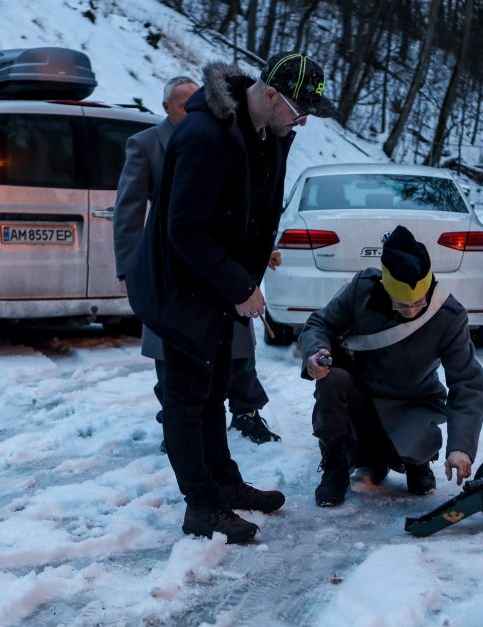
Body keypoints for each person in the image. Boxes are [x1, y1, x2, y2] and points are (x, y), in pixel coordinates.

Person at [127, 53, 336, 543]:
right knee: (184, 400)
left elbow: (255, 214)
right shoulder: (205, 136)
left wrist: (247, 276)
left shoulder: (271, 135)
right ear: (268, 95)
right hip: (180, 289)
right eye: (297, 109)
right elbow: (185, 228)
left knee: (215, 390)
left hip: (218, 288)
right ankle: (201, 506)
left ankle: (225, 484)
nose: (301, 120)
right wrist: (241, 286)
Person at [113, 76, 281, 449]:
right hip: (172, 272)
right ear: (166, 108)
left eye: (195, 102)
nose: (191, 110)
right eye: (181, 105)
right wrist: (127, 267)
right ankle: (177, 423)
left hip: (219, 273)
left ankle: (246, 410)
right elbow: (128, 210)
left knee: (236, 349)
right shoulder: (146, 145)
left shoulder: (226, 136)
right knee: (174, 358)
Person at [299, 225, 483, 507]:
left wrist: (461, 448)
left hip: (413, 401)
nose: (411, 311)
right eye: (401, 305)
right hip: (361, 396)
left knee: (417, 443)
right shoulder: (362, 289)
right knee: (331, 381)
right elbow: (320, 324)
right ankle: (334, 468)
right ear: (385, 287)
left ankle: (417, 462)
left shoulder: (450, 315)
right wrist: (316, 353)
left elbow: (468, 383)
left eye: (418, 303)